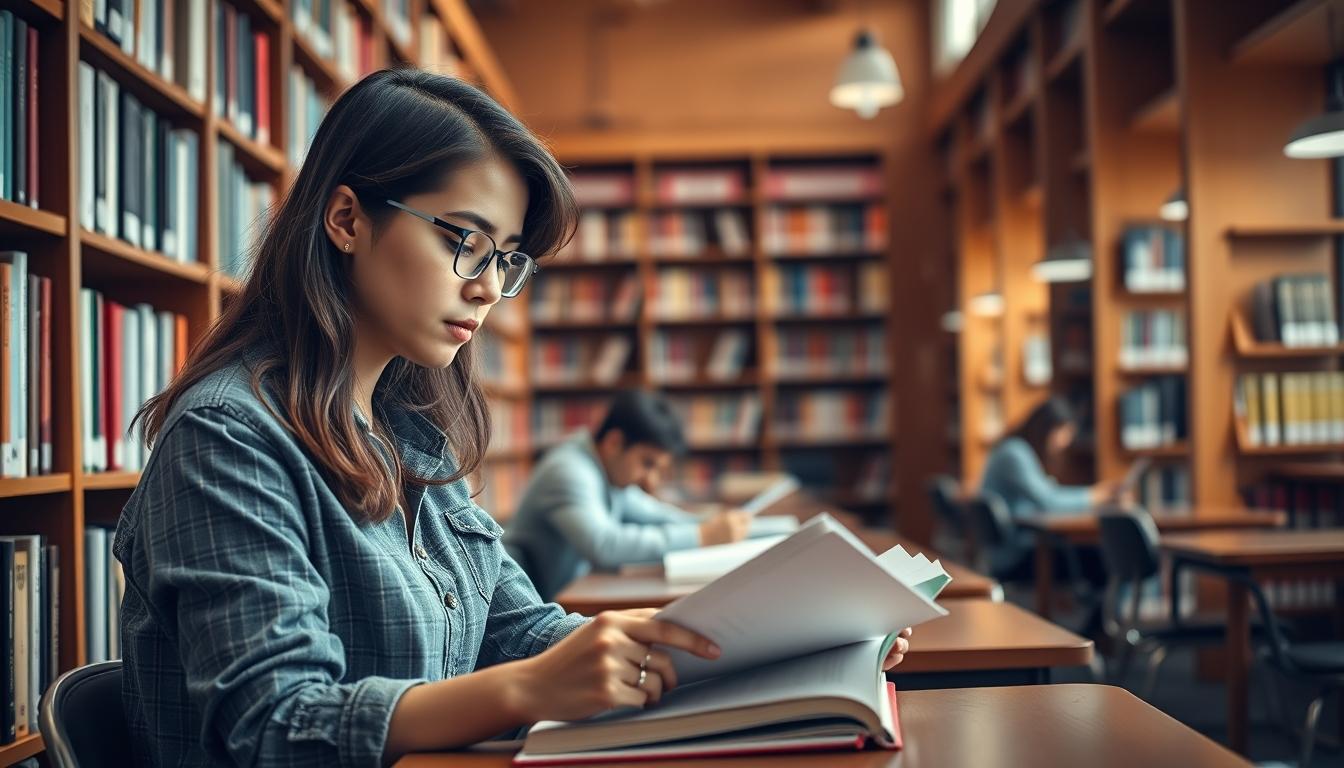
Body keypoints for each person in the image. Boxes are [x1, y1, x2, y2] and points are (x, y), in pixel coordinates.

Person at [112, 69, 910, 767]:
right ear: (347, 219)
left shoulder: (410, 436)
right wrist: (529, 688)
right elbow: (279, 729)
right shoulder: (227, 438)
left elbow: (519, 629)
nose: (489, 287)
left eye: (507, 259)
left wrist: (761, 650)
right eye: (465, 240)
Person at [503, 391, 753, 600]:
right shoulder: (569, 471)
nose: (651, 480)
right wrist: (703, 535)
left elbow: (654, 514)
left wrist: (713, 524)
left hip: (563, 596)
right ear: (614, 443)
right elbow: (604, 544)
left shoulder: (606, 468)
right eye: (647, 463)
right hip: (526, 613)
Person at [978, 396, 1121, 581]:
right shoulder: (1014, 453)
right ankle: (1096, 610)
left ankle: (1092, 609)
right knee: (1102, 559)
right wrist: (1095, 496)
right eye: (1064, 433)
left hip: (1015, 548)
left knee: (1096, 555)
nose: (1065, 443)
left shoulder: (1016, 450)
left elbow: (1044, 495)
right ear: (1048, 428)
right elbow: (1048, 500)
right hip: (1014, 556)